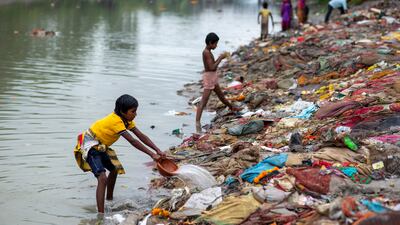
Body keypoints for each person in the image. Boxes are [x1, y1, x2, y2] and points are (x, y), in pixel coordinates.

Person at [73, 94, 165, 213]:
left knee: (114, 169)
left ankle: (109, 200)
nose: (135, 114)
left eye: (135, 111)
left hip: (100, 145)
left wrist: (157, 150)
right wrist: (152, 155)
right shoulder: (115, 121)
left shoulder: (126, 120)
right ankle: (100, 214)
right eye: (133, 111)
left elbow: (140, 136)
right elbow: (132, 140)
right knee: (102, 178)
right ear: (122, 111)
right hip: (90, 146)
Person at [195, 32, 238, 127]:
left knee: (221, 96)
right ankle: (197, 122)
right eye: (215, 44)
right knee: (203, 102)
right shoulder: (206, 52)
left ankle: (232, 108)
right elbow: (212, 67)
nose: (216, 45)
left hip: (212, 76)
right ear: (210, 43)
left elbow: (212, 66)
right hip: (209, 77)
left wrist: (219, 58)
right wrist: (220, 58)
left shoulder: (208, 52)